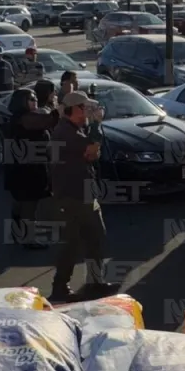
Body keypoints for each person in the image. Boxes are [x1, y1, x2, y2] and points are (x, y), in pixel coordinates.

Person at [47, 91, 120, 302]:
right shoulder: (64, 132)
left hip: (85, 193)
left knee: (95, 238)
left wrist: (93, 140)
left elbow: (92, 154)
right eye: (85, 107)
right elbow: (91, 149)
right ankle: (60, 287)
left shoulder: (75, 129)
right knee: (72, 243)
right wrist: (97, 125)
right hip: (73, 195)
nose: (89, 110)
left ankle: (95, 282)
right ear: (75, 109)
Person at [4, 88, 56, 250]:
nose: (35, 102)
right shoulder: (24, 119)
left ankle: (18, 232)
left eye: (35, 99)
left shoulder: (21, 118)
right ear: (22, 102)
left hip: (23, 167)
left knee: (20, 203)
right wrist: (56, 109)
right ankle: (28, 238)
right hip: (27, 170)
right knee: (29, 205)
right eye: (31, 99)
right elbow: (50, 121)